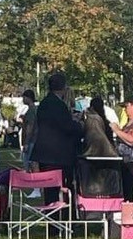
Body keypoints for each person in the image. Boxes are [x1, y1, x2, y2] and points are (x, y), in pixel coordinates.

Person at [31, 70, 84, 203]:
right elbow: (66, 127)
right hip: (58, 155)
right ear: (63, 88)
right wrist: (79, 125)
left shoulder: (44, 103)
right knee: (59, 188)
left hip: (44, 153)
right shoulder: (59, 105)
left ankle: (52, 218)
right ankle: (60, 218)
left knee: (50, 191)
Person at [19, 89, 38, 171]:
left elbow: (30, 127)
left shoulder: (31, 111)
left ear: (28, 98)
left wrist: (26, 142)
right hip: (33, 140)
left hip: (30, 141)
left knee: (27, 164)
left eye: (24, 97)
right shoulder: (35, 109)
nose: (23, 99)